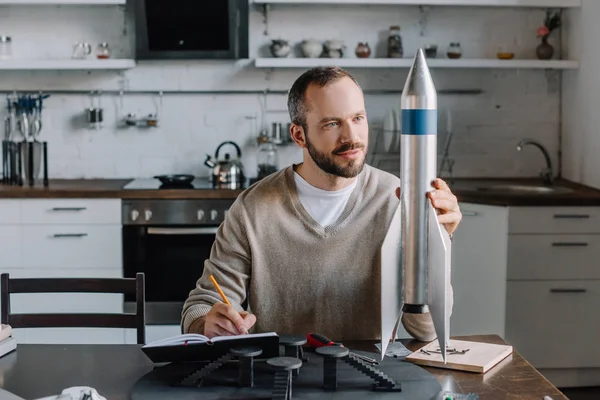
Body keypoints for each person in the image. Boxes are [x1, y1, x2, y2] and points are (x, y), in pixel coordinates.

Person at [181, 66, 462, 342]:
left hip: (372, 375)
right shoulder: (252, 208)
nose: (351, 137)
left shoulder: (398, 200)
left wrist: (434, 243)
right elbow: (202, 305)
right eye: (331, 123)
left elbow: (427, 331)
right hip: (282, 373)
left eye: (358, 118)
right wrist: (208, 322)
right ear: (299, 135)